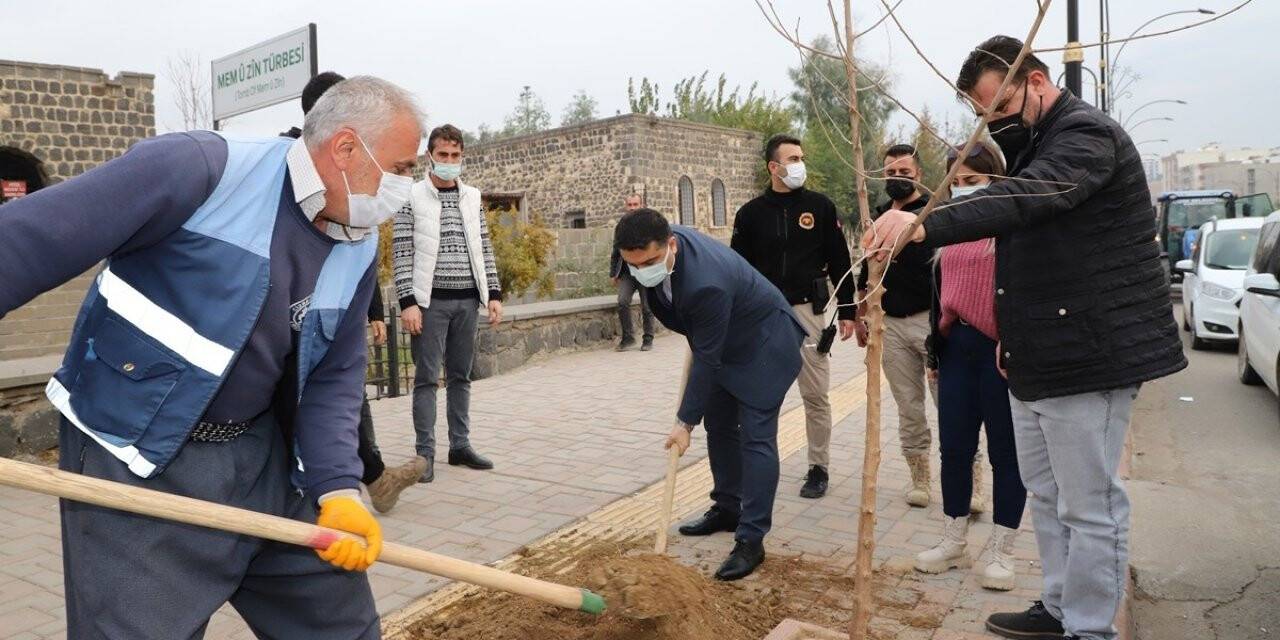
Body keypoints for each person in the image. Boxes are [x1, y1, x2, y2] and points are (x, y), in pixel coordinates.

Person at [0, 75, 424, 638]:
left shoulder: (358, 240)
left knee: (340, 626)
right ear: (346, 147)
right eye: (401, 169)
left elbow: (333, 378)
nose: (405, 186)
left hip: (264, 459)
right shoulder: (200, 170)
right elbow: (25, 243)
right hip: (135, 462)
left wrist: (339, 486)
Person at [865, 36, 1186, 640]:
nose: (996, 123)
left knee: (1089, 504)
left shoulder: (1087, 136)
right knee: (1045, 491)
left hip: (1091, 350)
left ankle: (1090, 629)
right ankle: (1060, 606)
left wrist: (925, 222)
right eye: (984, 115)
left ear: (1036, 82)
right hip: (1037, 351)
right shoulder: (1040, 141)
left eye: (1001, 107)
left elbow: (1027, 198)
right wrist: (1010, 340)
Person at [614, 209, 805, 581]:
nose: (642, 271)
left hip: (762, 345)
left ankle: (751, 539)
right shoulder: (654, 249)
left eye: (650, 262)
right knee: (719, 426)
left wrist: (684, 423)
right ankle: (727, 508)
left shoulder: (707, 283)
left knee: (756, 438)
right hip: (720, 342)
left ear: (670, 244)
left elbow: (706, 358)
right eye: (633, 265)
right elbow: (703, 345)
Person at [285, 70, 426, 513]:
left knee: (344, 389)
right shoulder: (280, 169)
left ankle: (362, 477)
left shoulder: (358, 206)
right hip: (294, 333)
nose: (401, 182)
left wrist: (373, 312)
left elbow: (357, 252)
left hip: (334, 316)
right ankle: (367, 475)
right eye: (400, 168)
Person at [915, 141, 1026, 592]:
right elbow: (939, 296)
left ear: (995, 181)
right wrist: (936, 353)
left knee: (1006, 454)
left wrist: (1013, 344)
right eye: (956, 184)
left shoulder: (1012, 229)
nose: (964, 192)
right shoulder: (948, 232)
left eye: (974, 182)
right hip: (956, 345)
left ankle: (1002, 549)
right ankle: (953, 538)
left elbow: (1022, 293)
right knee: (955, 448)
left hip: (999, 353)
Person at [730, 134, 856, 499]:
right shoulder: (750, 214)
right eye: (793, 158)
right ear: (774, 167)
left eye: (801, 157)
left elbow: (840, 261)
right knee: (759, 396)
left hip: (808, 313)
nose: (800, 163)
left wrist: (848, 310)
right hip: (764, 316)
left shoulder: (820, 207)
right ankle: (757, 464)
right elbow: (738, 268)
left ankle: (819, 467)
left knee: (816, 395)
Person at [394, 124, 503, 483]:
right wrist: (408, 302)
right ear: (430, 156)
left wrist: (494, 294)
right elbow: (402, 252)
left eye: (455, 156)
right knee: (426, 379)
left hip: (468, 301)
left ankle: (460, 446)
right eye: (443, 155)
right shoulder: (411, 197)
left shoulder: (472, 196)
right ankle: (425, 454)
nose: (450, 161)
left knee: (461, 376)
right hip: (430, 303)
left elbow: (484, 246)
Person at [857, 143, 953, 509]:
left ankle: (969, 481)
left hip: (930, 321)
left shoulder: (934, 214)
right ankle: (920, 479)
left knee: (949, 405)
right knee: (908, 406)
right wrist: (864, 310)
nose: (897, 179)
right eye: (891, 173)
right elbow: (868, 266)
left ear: (919, 176)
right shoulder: (878, 214)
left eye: (904, 173)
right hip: (890, 325)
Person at [608, 193, 656, 351]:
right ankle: (628, 338)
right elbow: (616, 251)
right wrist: (613, 273)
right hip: (627, 272)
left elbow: (657, 248)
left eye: (635, 204)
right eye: (630, 205)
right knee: (622, 302)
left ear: (641, 205)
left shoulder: (649, 224)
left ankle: (648, 339)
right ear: (625, 206)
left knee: (647, 306)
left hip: (645, 271)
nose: (632, 208)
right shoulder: (621, 226)